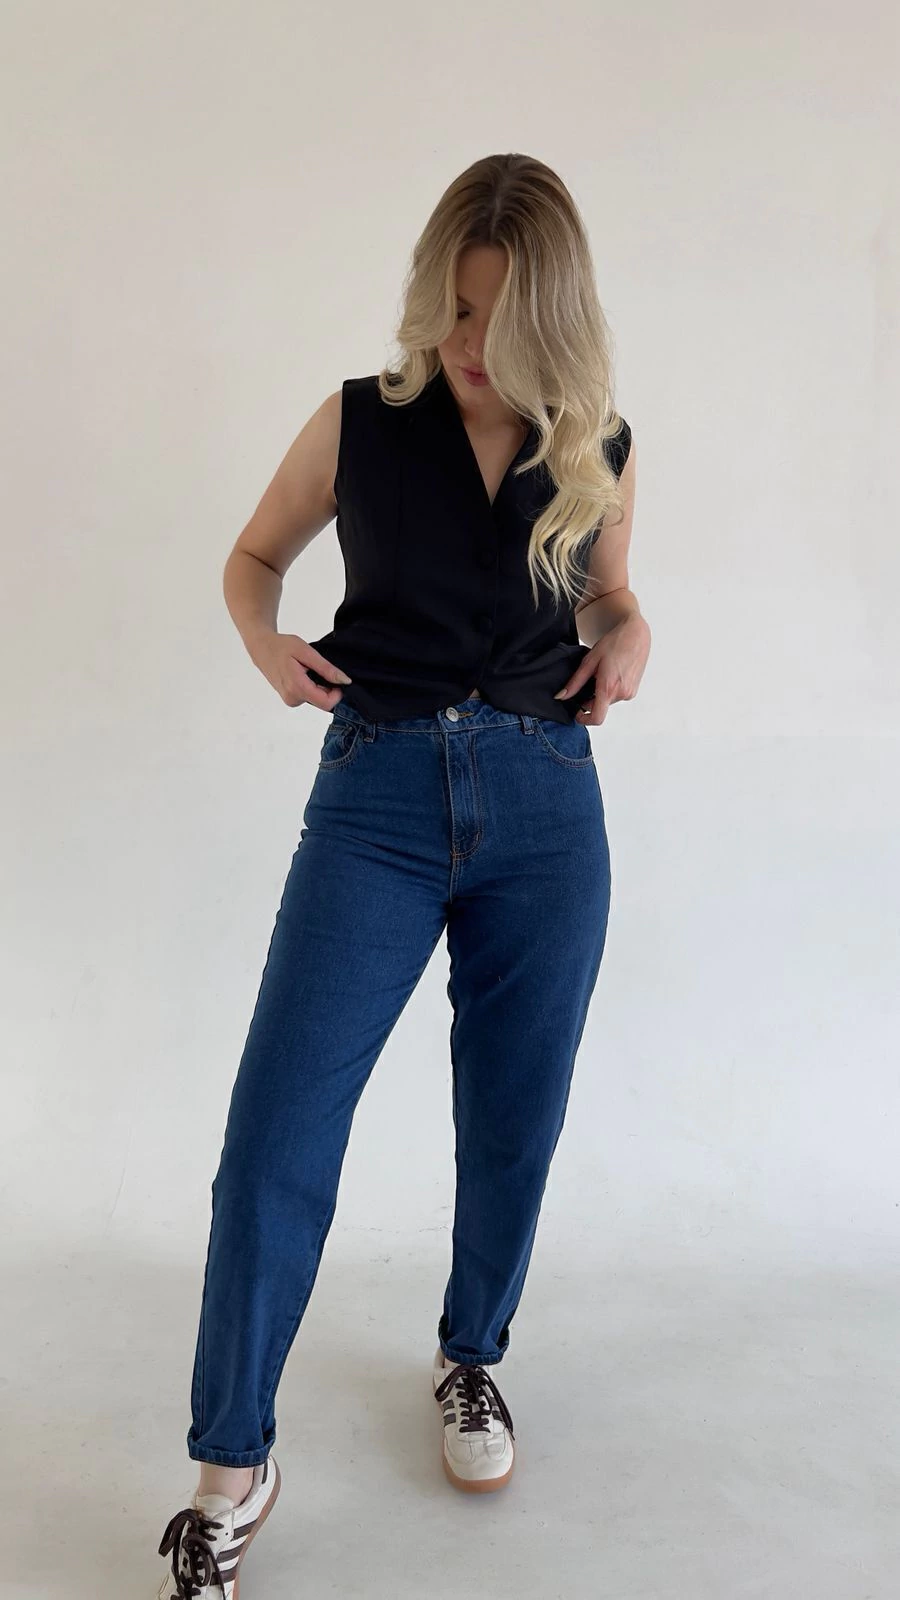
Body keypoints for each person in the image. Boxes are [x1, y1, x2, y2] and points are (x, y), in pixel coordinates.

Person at [155, 150, 650, 1599]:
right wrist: (266, 642)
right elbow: (253, 559)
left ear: (557, 319)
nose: (468, 342)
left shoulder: (601, 442)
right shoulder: (359, 422)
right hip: (373, 795)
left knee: (513, 1121)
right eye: (453, 305)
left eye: (500, 317)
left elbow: (613, 593)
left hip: (546, 809)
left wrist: (630, 629)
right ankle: (229, 1470)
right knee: (277, 1132)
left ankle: (470, 1355)